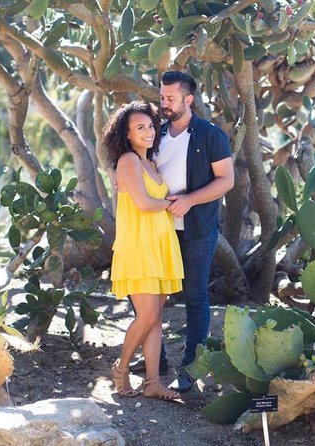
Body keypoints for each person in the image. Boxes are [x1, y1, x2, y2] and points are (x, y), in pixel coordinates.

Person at [156, 71, 234, 392]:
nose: (164, 104)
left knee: (195, 295)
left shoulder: (211, 135)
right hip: (158, 228)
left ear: (188, 100)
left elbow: (226, 180)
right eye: (162, 97)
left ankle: (191, 367)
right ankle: (155, 357)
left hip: (198, 228)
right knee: (151, 293)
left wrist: (189, 200)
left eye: (170, 98)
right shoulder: (156, 133)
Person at [104, 101, 184, 401]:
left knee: (155, 317)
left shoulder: (149, 161)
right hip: (139, 246)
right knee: (148, 314)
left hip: (159, 245)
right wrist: (173, 203)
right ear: (126, 134)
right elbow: (144, 203)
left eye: (150, 126)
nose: (149, 132)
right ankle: (121, 368)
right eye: (140, 128)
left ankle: (152, 383)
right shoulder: (128, 160)